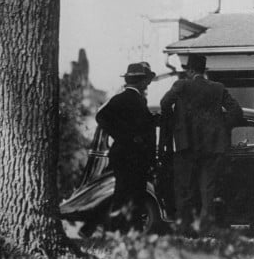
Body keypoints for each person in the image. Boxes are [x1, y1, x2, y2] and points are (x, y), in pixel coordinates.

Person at [160, 53, 243, 236]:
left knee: (185, 189)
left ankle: (185, 229)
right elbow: (236, 112)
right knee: (208, 190)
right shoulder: (218, 88)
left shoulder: (181, 85)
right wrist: (220, 127)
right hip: (212, 147)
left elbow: (164, 103)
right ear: (204, 70)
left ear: (190, 70)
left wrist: (176, 123)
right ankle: (206, 229)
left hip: (186, 145)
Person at [95, 62, 158, 232]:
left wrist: (122, 135)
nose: (147, 84)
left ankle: (122, 229)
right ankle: (125, 230)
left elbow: (103, 117)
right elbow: (101, 116)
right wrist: (128, 137)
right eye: (146, 80)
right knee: (131, 195)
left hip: (126, 156)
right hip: (132, 157)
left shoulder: (128, 99)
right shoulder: (130, 99)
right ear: (141, 81)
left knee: (125, 194)